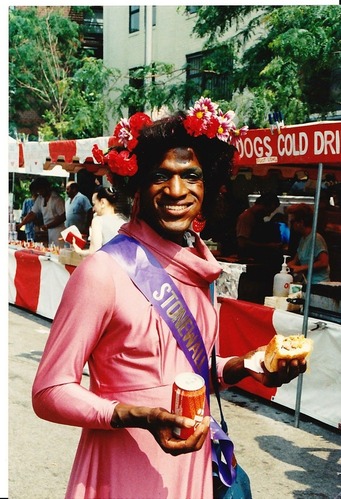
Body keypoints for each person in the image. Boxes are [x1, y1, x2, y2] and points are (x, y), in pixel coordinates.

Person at [32, 98, 307, 499]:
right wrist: (132, 414)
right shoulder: (104, 272)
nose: (176, 190)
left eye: (190, 176)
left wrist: (248, 365)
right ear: (139, 186)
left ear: (206, 186)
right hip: (124, 467)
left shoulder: (198, 270)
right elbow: (48, 391)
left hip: (191, 465)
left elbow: (189, 376)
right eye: (161, 176)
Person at [72, 185, 130, 256]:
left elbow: (95, 252)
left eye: (94, 204)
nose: (93, 208)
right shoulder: (125, 219)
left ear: (102, 202)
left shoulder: (98, 220)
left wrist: (79, 251)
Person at [287, 203, 330, 284]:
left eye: (292, 222)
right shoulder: (303, 239)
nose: (291, 225)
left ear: (300, 222)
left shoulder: (316, 238)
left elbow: (324, 262)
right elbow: (295, 260)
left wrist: (301, 268)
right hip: (307, 283)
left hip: (319, 284)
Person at [236, 192, 283, 263]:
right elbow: (242, 243)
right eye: (268, 211)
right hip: (248, 258)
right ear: (262, 205)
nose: (268, 214)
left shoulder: (258, 217)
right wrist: (268, 246)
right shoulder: (246, 217)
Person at [18, 177, 66, 247]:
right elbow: (32, 213)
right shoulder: (40, 199)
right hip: (47, 231)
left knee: (57, 252)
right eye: (38, 190)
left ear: (47, 187)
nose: (39, 192)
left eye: (40, 190)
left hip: (58, 232)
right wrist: (21, 224)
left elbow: (63, 217)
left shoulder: (57, 200)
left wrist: (47, 226)